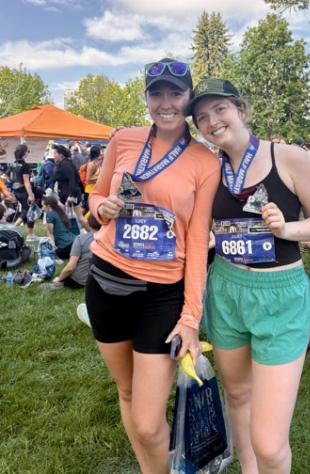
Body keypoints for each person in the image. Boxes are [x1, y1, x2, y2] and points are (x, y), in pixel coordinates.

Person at [186, 78, 310, 474]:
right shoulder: (210, 167)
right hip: (226, 289)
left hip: (280, 296)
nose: (212, 121)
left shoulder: (288, 157)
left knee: (270, 444)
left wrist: (286, 229)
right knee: (237, 396)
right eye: (202, 117)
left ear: (240, 109)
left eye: (220, 109)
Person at [86, 59, 220, 473]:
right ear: (145, 97)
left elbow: (197, 242)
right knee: (127, 392)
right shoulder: (123, 139)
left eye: (175, 94)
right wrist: (102, 208)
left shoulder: (205, 161)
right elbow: (95, 197)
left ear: (188, 98)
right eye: (156, 93)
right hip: (105, 281)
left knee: (147, 422)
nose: (165, 103)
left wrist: (191, 316)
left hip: (160, 296)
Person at [39, 214, 101, 291]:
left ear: (88, 223)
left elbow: (70, 268)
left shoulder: (81, 239)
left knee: (46, 285)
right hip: (102, 280)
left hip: (81, 281)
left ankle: (60, 283)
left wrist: (59, 279)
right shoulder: (111, 239)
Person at [52, 144, 90, 231]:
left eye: (55, 153)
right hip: (65, 194)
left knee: (80, 217)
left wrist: (71, 195)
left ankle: (92, 233)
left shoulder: (66, 164)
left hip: (71, 194)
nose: (54, 155)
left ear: (61, 154)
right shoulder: (62, 163)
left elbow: (72, 180)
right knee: (67, 215)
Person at [10, 144, 36, 240]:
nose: (28, 153)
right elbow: (26, 181)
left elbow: (11, 177)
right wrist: (31, 194)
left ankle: (29, 233)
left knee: (26, 210)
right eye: (27, 151)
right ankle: (15, 228)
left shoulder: (13, 163)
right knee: (29, 211)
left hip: (16, 190)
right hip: (23, 191)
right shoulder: (25, 165)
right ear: (24, 153)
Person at [42, 195, 76, 260]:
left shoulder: (49, 215)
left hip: (66, 246)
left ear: (48, 206)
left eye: (43, 206)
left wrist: (52, 250)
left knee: (48, 253)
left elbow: (51, 234)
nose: (42, 208)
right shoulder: (59, 211)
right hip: (75, 241)